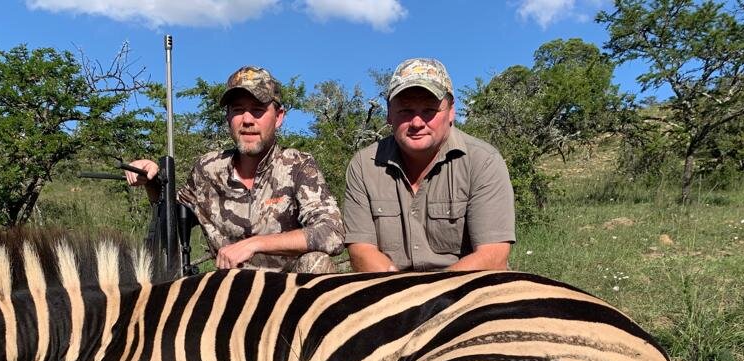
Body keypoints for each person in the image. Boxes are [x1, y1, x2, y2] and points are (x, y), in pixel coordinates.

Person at [125, 66, 344, 274]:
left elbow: (331, 233)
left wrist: (255, 244)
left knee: (315, 264)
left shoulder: (298, 165)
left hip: (289, 296)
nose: (247, 120)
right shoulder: (207, 168)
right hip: (230, 292)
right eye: (238, 110)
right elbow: (171, 222)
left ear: (278, 117)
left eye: (258, 110)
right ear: (228, 117)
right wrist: (152, 181)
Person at [343, 57, 515, 273]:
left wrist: (428, 298)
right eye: (405, 111)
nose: (416, 122)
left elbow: (493, 256)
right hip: (391, 290)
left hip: (465, 292)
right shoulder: (363, 165)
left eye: (429, 110)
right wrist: (404, 299)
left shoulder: (484, 161)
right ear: (388, 112)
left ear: (451, 111)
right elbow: (361, 251)